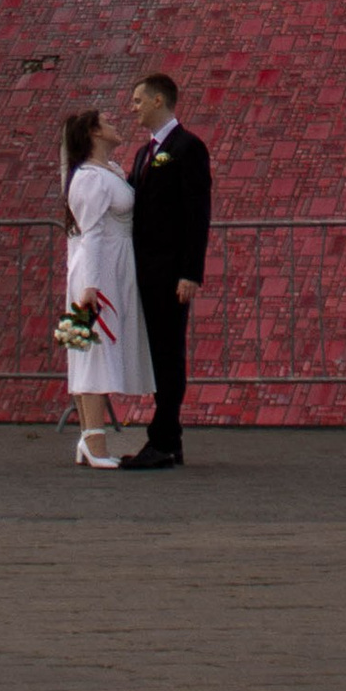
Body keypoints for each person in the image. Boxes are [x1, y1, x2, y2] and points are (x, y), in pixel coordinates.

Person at [122, 70, 210, 469]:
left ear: (159, 100)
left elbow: (196, 214)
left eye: (139, 100)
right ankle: (169, 439)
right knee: (158, 353)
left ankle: (162, 437)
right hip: (145, 270)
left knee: (168, 353)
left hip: (171, 271)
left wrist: (190, 272)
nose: (134, 107)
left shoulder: (188, 148)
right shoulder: (143, 154)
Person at [62, 106, 153, 468]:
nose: (115, 126)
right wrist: (91, 286)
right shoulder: (89, 178)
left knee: (88, 347)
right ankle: (94, 441)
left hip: (109, 266)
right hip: (99, 271)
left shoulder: (106, 172)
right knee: (92, 349)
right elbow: (92, 233)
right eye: (107, 123)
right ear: (94, 134)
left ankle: (89, 438)